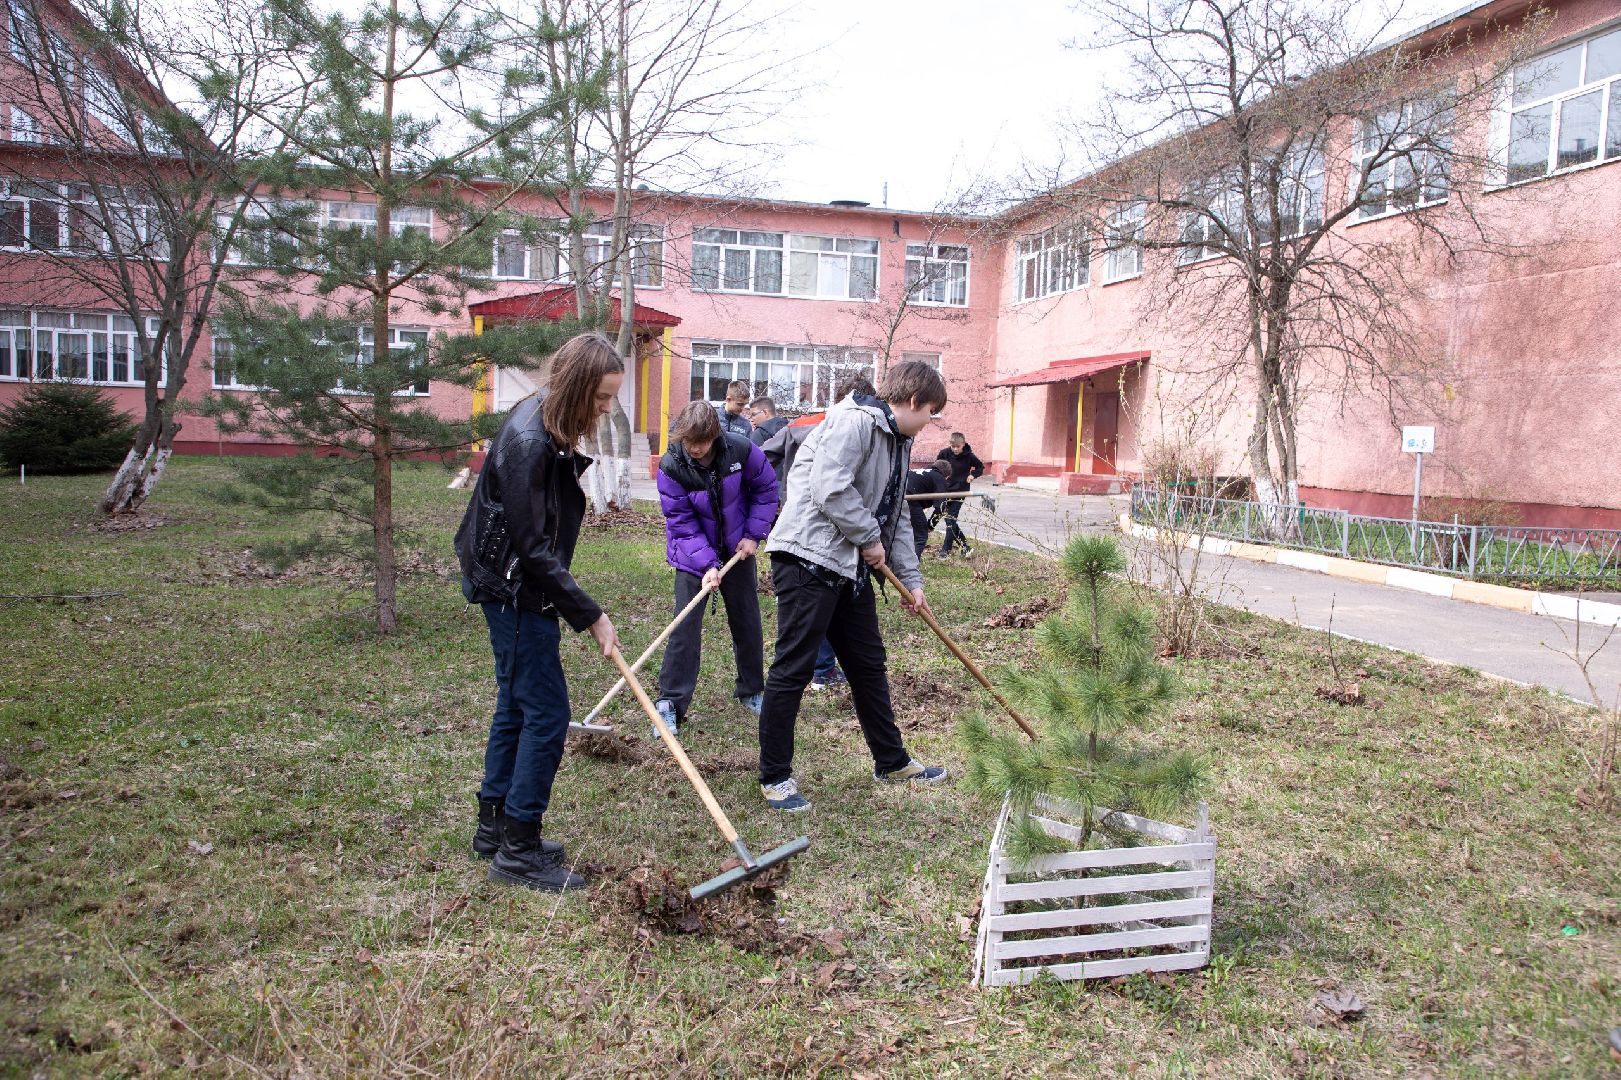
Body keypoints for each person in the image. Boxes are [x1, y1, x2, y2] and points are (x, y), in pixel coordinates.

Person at [455, 331, 623, 892]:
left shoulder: (547, 422)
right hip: (515, 590)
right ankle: (519, 849)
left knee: (517, 705)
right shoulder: (530, 439)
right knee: (547, 714)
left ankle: (494, 825)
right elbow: (533, 549)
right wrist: (591, 614)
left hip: (513, 583)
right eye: (600, 398)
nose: (605, 409)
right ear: (576, 387)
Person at [755, 360, 951, 813]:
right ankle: (775, 777)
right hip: (808, 556)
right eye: (931, 412)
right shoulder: (853, 421)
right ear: (915, 400)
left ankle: (892, 761)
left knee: (866, 663)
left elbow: (896, 513)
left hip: (848, 565)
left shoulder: (898, 441)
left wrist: (910, 580)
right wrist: (867, 539)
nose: (930, 423)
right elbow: (830, 487)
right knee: (794, 666)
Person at [651, 400, 779, 737]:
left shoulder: (740, 450)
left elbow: (767, 489)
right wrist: (706, 564)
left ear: (714, 435)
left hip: (738, 550)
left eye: (701, 442)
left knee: (747, 619)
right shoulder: (672, 465)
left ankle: (752, 690)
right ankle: (671, 702)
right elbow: (681, 523)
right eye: (688, 441)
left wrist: (754, 534)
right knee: (685, 627)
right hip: (692, 558)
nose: (694, 449)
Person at [760, 374, 877, 691]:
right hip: (822, 527)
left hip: (801, 521)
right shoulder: (855, 428)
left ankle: (823, 668)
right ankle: (822, 669)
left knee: (818, 608)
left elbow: (763, 457)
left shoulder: (804, 422)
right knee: (817, 603)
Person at [935, 431, 984, 558]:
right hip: (945, 491)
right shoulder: (944, 453)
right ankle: (965, 547)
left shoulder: (970, 456)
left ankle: (945, 550)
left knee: (950, 519)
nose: (955, 449)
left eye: (958, 446)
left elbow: (980, 467)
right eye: (953, 446)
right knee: (949, 519)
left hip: (960, 491)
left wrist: (973, 475)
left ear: (963, 444)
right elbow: (936, 468)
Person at [906, 459, 950, 559]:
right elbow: (941, 507)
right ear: (946, 476)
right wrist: (930, 526)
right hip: (910, 499)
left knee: (903, 531)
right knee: (921, 535)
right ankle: (911, 566)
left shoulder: (921, 471)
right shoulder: (939, 478)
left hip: (895, 497)